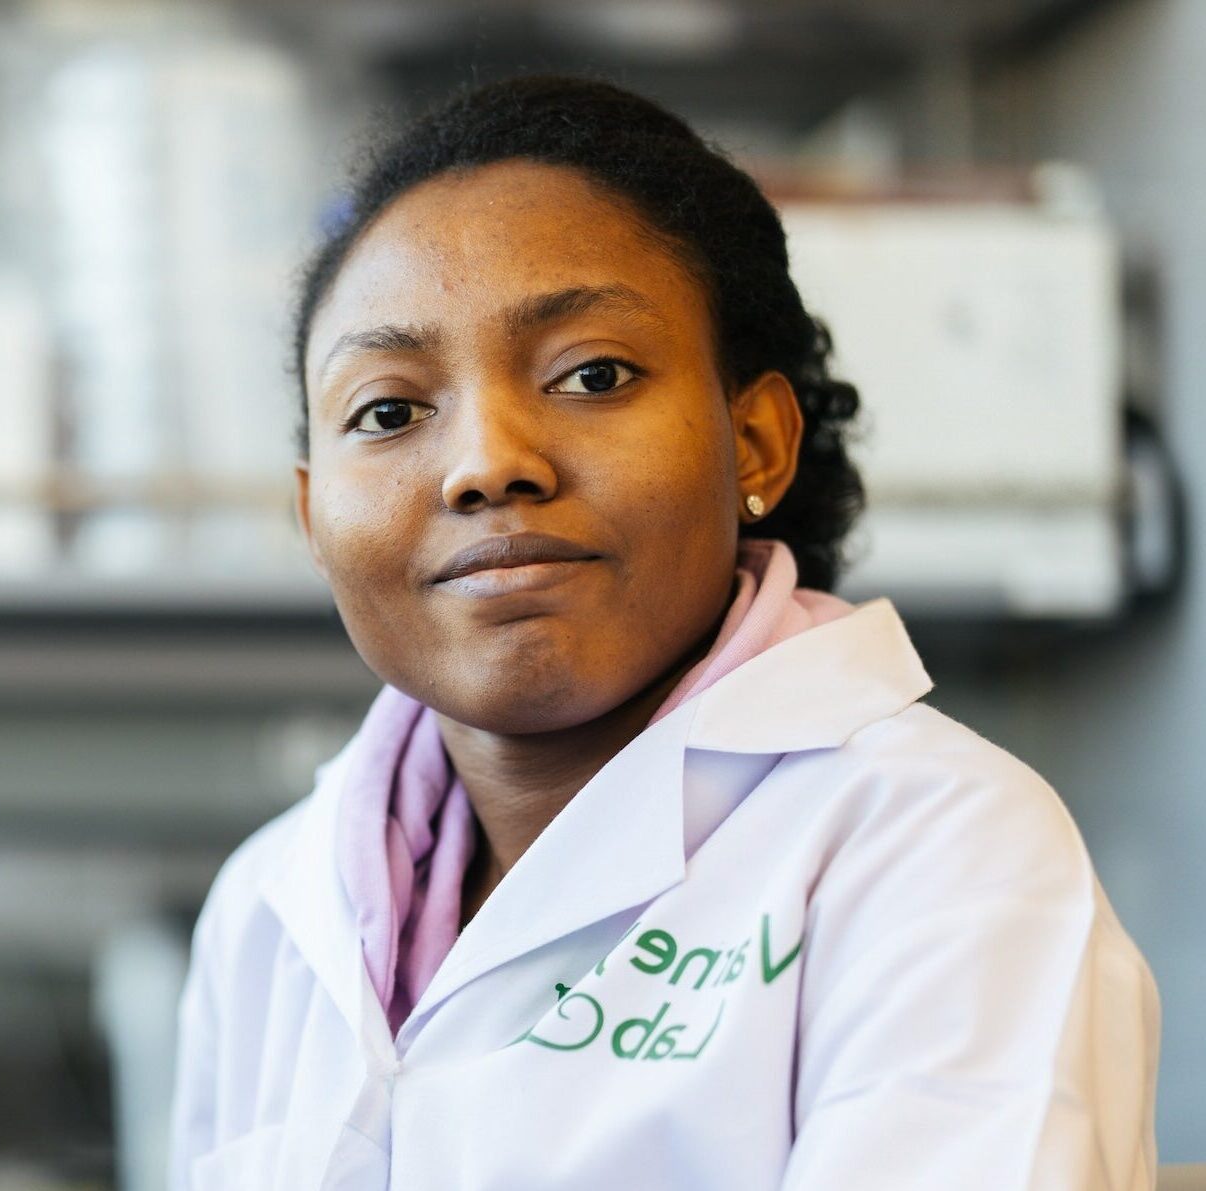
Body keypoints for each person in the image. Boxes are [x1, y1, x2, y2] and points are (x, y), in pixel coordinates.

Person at [167, 75, 1160, 1190]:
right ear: (311, 515)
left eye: (593, 374)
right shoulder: (267, 908)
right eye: (388, 411)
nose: (488, 462)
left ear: (756, 445)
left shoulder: (939, 852)